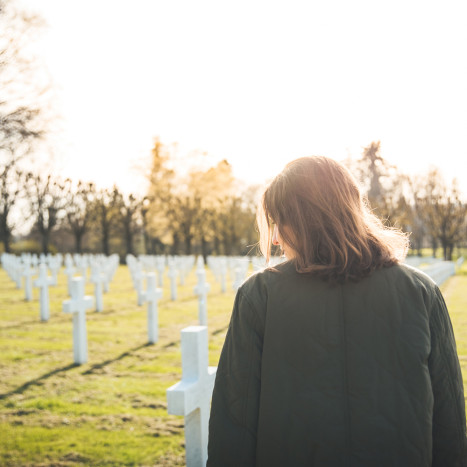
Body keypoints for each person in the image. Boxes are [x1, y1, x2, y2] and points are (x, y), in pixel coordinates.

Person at [207, 156, 467, 466]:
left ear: (306, 219)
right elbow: (450, 427)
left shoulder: (260, 294)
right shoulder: (422, 291)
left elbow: (234, 424)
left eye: (281, 221)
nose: (275, 238)